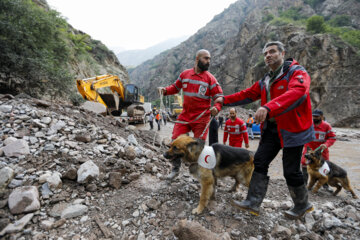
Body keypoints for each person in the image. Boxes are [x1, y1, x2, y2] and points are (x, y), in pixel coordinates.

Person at [223, 41, 314, 219]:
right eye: (265, 53)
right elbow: (247, 94)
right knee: (259, 161)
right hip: (272, 128)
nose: (268, 56)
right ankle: (253, 202)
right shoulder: (266, 79)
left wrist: (268, 107)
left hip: (293, 129)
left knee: (291, 170)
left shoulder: (296, 72)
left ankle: (303, 205)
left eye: (272, 52)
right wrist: (222, 100)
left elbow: (299, 91)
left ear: (282, 53)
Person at [158, 49, 224, 180]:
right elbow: (175, 88)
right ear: (197, 59)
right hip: (185, 116)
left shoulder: (210, 78)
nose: (208, 61)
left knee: (198, 147)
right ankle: (175, 170)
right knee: (175, 141)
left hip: (201, 118)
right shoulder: (185, 74)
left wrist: (216, 107)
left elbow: (219, 96)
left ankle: (196, 174)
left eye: (209, 59)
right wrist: (165, 91)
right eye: (205, 58)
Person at [301, 109, 336, 191]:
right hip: (309, 149)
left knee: (325, 167)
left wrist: (326, 144)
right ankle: (304, 184)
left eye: (316, 116)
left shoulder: (327, 126)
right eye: (313, 116)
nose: (314, 118)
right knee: (304, 164)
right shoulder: (308, 124)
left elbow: (333, 137)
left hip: (322, 151)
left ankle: (325, 185)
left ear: (322, 117)